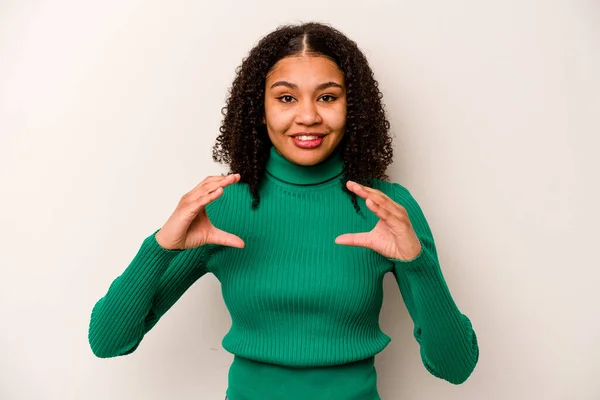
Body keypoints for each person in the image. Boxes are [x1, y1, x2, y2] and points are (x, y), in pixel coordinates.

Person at [88, 22, 479, 400]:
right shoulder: (221, 207)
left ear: (352, 107)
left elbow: (455, 367)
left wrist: (417, 263)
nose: (307, 116)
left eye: (327, 97)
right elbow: (108, 342)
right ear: (260, 109)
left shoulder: (386, 207)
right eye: (286, 98)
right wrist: (160, 247)